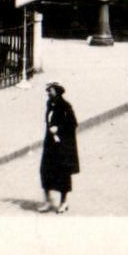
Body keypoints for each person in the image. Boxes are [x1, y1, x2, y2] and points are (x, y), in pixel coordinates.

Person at [39, 82, 79, 213]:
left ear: (57, 91)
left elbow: (73, 124)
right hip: (50, 144)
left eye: (50, 90)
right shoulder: (50, 104)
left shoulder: (65, 106)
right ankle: (48, 200)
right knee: (45, 170)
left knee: (62, 174)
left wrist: (59, 129)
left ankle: (63, 202)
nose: (48, 93)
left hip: (62, 146)